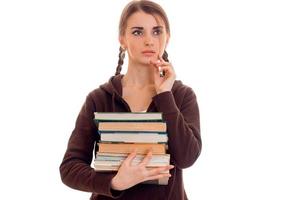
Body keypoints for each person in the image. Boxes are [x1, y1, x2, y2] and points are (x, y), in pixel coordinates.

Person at [59, 0, 202, 199]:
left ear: (167, 37)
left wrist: (165, 95)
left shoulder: (182, 96)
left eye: (156, 31)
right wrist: (115, 182)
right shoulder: (99, 99)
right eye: (137, 32)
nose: (149, 41)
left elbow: (187, 158)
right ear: (122, 39)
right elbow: (70, 168)